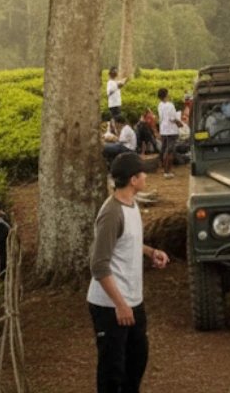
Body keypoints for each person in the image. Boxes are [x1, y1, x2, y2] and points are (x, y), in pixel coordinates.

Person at [88, 152, 169, 393]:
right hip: (110, 305)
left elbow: (126, 241)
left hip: (133, 300)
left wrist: (150, 252)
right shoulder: (111, 213)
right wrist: (120, 305)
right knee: (112, 371)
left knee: (136, 362)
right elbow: (99, 264)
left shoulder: (131, 204)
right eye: (143, 173)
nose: (146, 176)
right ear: (133, 179)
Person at [156, 88, 180, 179]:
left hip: (164, 130)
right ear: (166, 95)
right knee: (169, 151)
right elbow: (173, 118)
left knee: (165, 149)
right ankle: (167, 171)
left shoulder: (160, 105)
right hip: (171, 130)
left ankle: (165, 169)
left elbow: (161, 118)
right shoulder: (170, 105)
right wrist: (180, 124)